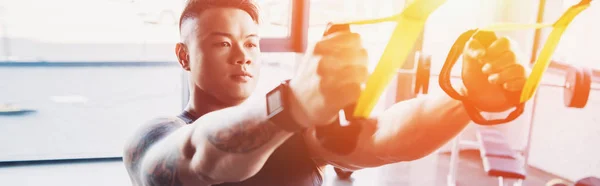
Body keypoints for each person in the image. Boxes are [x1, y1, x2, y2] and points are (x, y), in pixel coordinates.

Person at [122, 0, 528, 185]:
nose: (242, 56)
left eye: (251, 43)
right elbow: (199, 157)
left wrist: (464, 98)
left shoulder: (294, 133)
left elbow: (382, 139)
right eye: (222, 43)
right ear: (184, 56)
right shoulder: (154, 140)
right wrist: (292, 103)